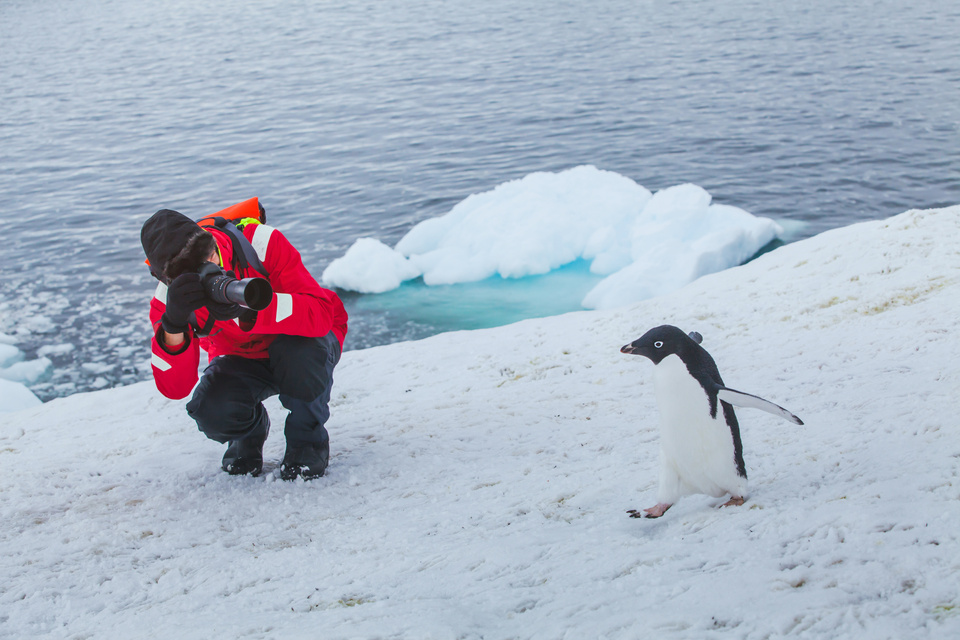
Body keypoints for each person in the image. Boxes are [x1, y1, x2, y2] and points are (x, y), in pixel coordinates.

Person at [140, 204, 348, 480]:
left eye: (210, 255)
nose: (212, 268)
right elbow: (175, 388)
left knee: (301, 355)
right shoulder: (169, 300)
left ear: (211, 239)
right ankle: (249, 433)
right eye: (193, 271)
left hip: (305, 342)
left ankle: (307, 441)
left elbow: (321, 315)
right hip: (243, 358)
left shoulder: (260, 244)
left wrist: (252, 311)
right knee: (211, 410)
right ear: (166, 278)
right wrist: (174, 325)